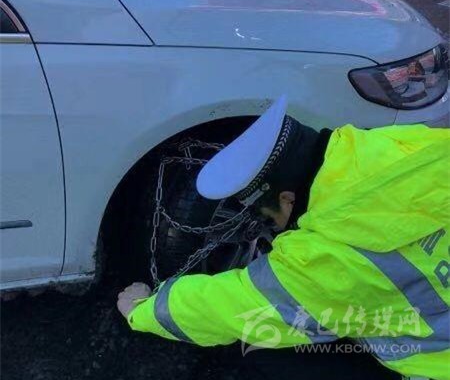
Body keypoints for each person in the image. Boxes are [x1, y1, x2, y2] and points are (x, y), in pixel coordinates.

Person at [117, 96, 449, 380]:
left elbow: (235, 307)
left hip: (438, 365)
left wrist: (143, 310)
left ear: (288, 200)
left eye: (267, 216)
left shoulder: (331, 255)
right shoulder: (399, 144)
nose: (269, 227)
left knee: (261, 344)